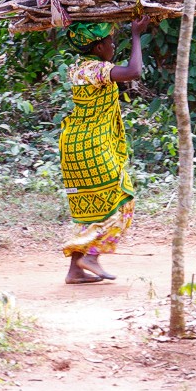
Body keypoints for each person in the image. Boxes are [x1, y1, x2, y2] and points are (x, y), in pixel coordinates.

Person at [59, 17, 150, 284]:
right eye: (110, 42)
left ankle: (76, 270)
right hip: (92, 146)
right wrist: (135, 35)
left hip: (74, 144)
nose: (113, 46)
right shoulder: (96, 70)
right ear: (98, 48)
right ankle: (92, 256)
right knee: (123, 199)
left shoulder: (77, 68)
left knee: (93, 209)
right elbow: (133, 72)